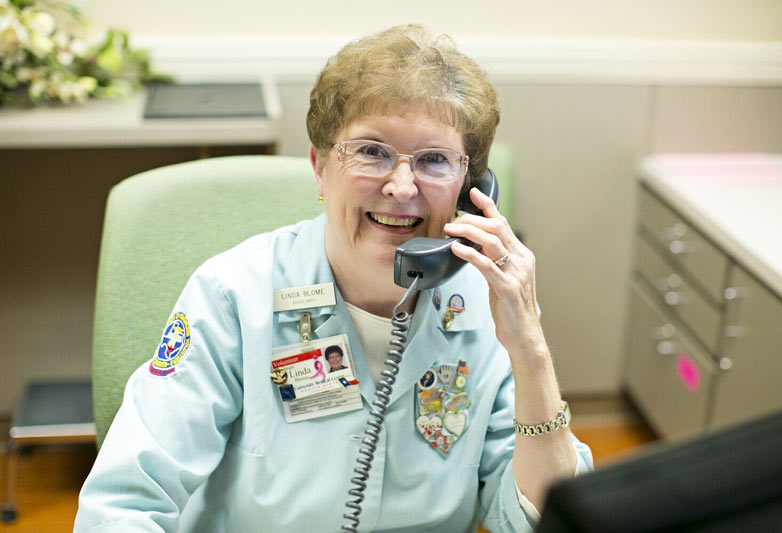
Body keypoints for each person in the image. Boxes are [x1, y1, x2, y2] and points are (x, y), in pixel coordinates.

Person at [74, 24, 592, 532]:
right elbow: (122, 503)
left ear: (469, 188)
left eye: (434, 160)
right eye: (372, 152)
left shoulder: (487, 302)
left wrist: (531, 352)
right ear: (321, 169)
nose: (401, 185)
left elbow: (536, 520)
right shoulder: (234, 294)